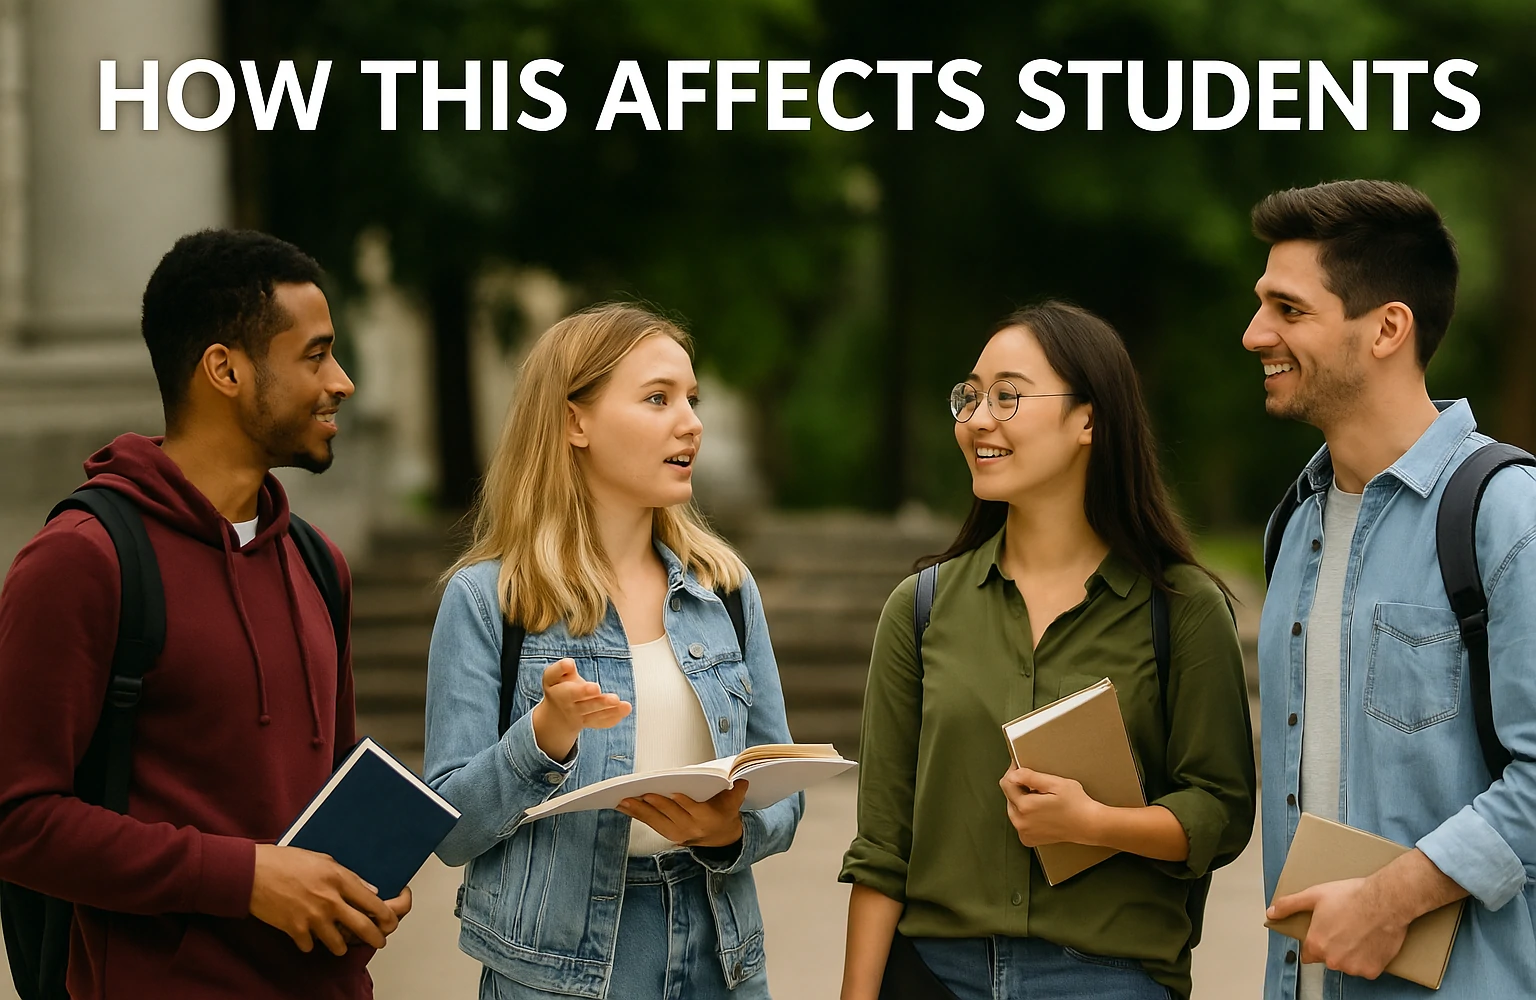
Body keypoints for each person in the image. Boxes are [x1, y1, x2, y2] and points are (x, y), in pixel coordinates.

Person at [0, 229, 410, 999]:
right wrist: (246, 876)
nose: (343, 382)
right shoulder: (82, 561)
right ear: (225, 368)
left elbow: (330, 793)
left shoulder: (319, 565)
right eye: (316, 355)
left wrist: (361, 887)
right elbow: (17, 820)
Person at [839, 301, 1256, 1000]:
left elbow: (1222, 813)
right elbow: (883, 847)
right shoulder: (919, 609)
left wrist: (1098, 825)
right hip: (937, 974)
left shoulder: (1180, 609)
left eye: (1007, 396)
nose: (976, 420)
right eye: (969, 397)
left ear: (1089, 420)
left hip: (1108, 979)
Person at [423, 302, 801, 999]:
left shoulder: (725, 588)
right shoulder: (487, 600)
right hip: (553, 971)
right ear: (575, 421)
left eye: (692, 399)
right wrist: (543, 735)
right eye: (658, 399)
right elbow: (447, 829)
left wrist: (726, 832)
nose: (690, 422)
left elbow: (782, 798)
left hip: (720, 956)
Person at [1247, 180, 1536, 998]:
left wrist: (1390, 900)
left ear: (1387, 329)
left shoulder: (1506, 514)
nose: (1254, 333)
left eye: (1288, 309)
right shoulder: (1293, 526)